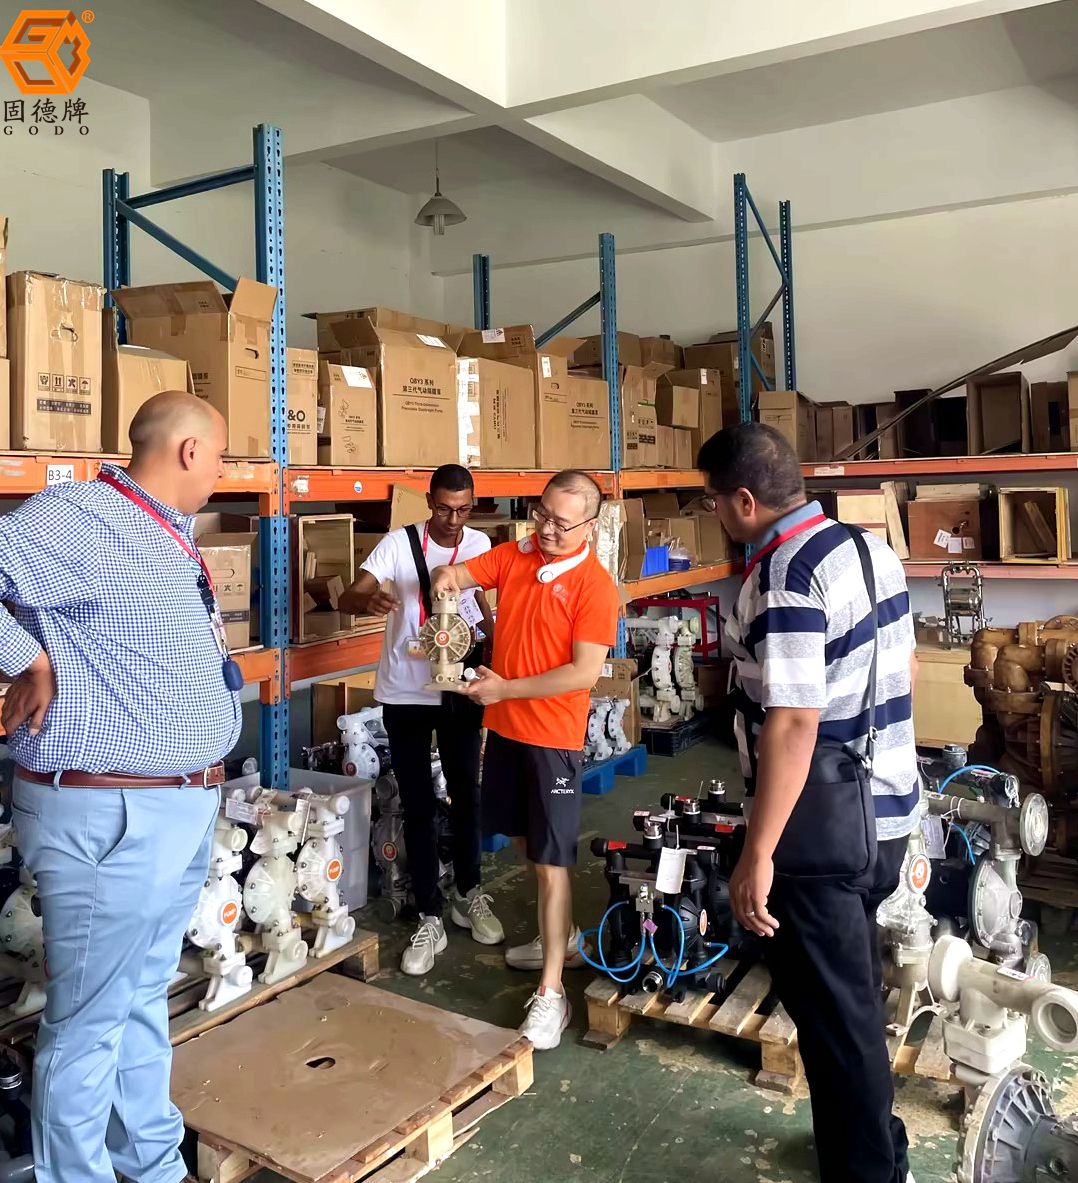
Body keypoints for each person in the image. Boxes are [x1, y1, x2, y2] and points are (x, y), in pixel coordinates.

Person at [1, 391, 240, 1183]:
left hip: (173, 805)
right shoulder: (82, 516)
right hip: (112, 811)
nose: (222, 471)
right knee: (89, 1022)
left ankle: (152, 1164)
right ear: (189, 451)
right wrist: (26, 658)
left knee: (138, 997)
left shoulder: (163, 531)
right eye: (220, 456)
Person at [697, 421, 918, 1183]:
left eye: (714, 501)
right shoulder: (870, 549)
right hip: (885, 809)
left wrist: (757, 853)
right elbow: (901, 667)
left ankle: (871, 1170)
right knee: (844, 1000)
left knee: (836, 1017)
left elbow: (793, 721)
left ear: (745, 499)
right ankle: (875, 1145)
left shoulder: (787, 574)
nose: (715, 514)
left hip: (821, 831)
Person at [430, 470, 619, 1050]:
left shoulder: (595, 588)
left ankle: (552, 993)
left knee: (551, 861)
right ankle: (559, 936)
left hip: (552, 740)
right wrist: (444, 589)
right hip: (506, 732)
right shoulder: (517, 556)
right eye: (542, 515)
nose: (548, 530)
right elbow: (458, 573)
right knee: (522, 842)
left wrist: (504, 690)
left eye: (562, 523)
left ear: (590, 526)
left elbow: (583, 673)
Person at [339, 464, 502, 975]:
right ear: (429, 502)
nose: (454, 520)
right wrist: (368, 598)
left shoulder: (479, 545)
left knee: (467, 792)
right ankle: (429, 912)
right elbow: (349, 595)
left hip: (459, 688)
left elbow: (485, 606)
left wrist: (490, 638)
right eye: (444, 509)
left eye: (464, 509)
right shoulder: (397, 544)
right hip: (404, 692)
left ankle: (469, 892)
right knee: (417, 803)